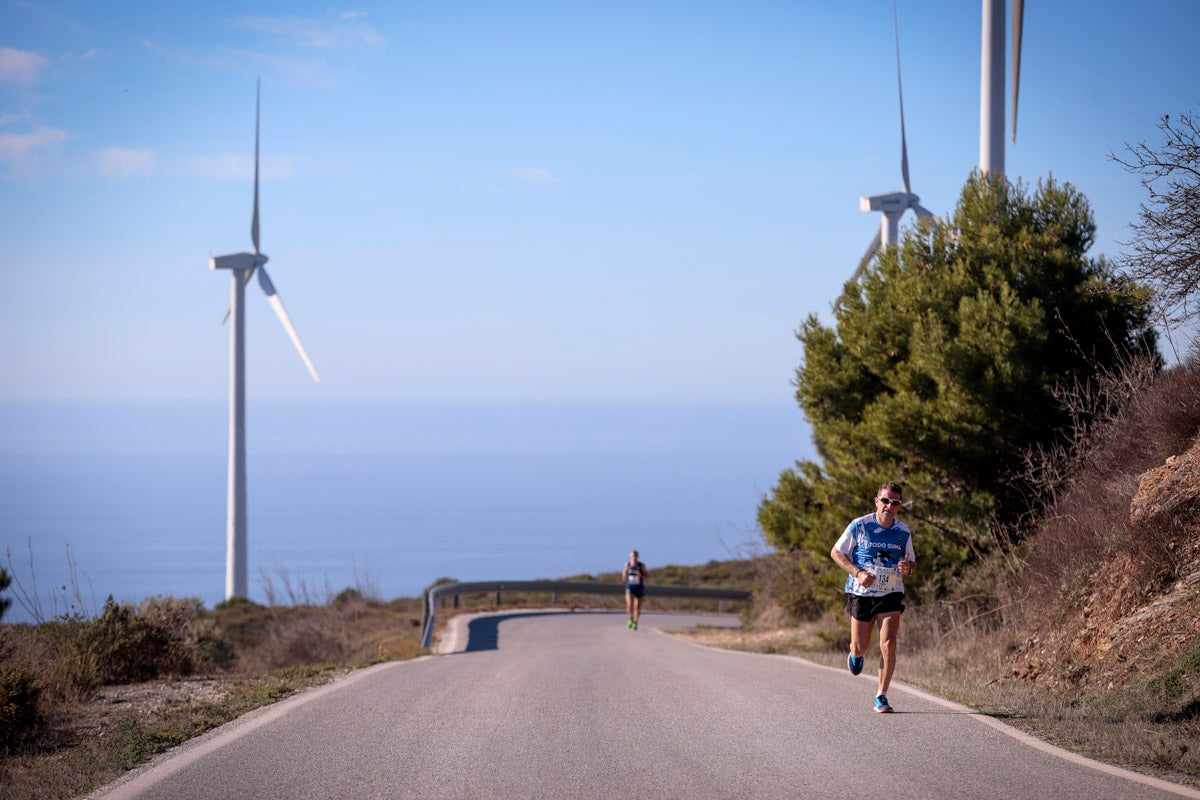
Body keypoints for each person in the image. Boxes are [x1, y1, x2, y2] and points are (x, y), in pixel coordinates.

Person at [830, 482, 916, 713]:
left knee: (888, 643)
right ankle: (856, 654)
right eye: (885, 500)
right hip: (862, 593)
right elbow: (836, 552)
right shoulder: (859, 525)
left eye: (895, 502)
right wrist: (857, 573)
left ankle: (881, 695)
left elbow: (911, 564)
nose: (889, 506)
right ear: (877, 501)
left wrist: (908, 567)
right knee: (860, 646)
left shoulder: (903, 531)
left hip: (891, 592)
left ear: (899, 506)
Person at [622, 550, 648, 630]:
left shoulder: (641, 565)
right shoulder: (627, 565)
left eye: (635, 556)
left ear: (637, 556)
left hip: (639, 587)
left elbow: (646, 577)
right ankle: (630, 619)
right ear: (630, 556)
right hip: (630, 587)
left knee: (637, 606)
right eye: (632, 556)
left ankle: (635, 622)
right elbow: (623, 579)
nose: (634, 557)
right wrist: (625, 571)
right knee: (629, 605)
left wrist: (640, 575)